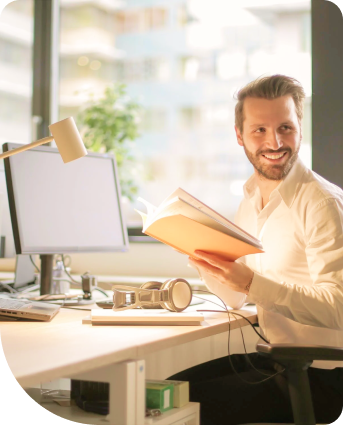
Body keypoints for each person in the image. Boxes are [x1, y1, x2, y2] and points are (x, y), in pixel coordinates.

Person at [169, 75, 343, 424]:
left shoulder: (322, 203)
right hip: (279, 362)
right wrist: (204, 260)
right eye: (259, 130)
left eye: (285, 128)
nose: (275, 141)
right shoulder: (251, 201)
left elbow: (339, 307)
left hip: (324, 375)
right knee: (167, 390)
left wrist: (251, 282)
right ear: (240, 136)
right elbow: (235, 301)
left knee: (175, 409)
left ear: (300, 129)